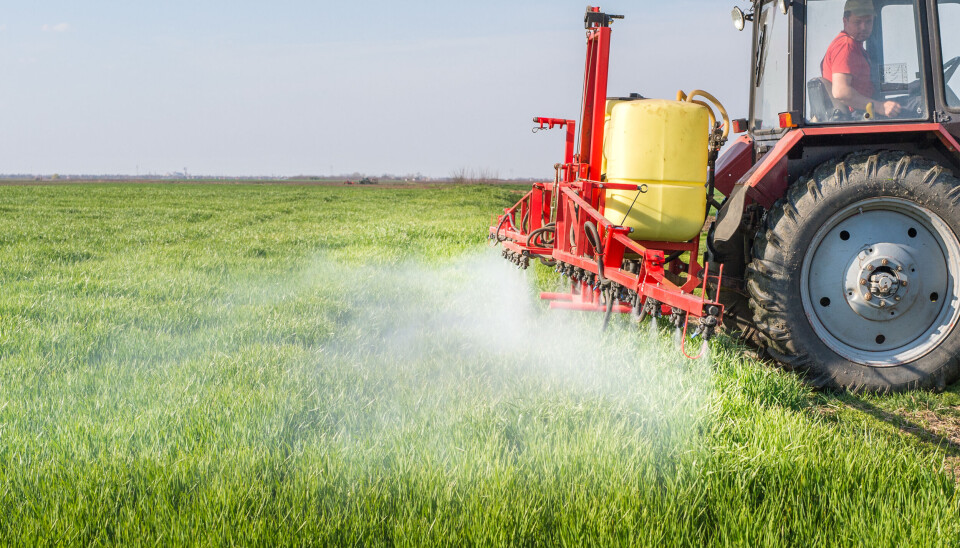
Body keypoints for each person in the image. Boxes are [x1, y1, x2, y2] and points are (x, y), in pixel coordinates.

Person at [821, 0, 901, 117]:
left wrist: (909, 86)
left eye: (868, 22)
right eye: (858, 22)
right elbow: (841, 92)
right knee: (918, 103)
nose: (864, 27)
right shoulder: (846, 45)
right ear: (845, 21)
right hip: (858, 114)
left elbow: (868, 85)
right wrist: (879, 106)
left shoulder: (856, 47)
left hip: (862, 111)